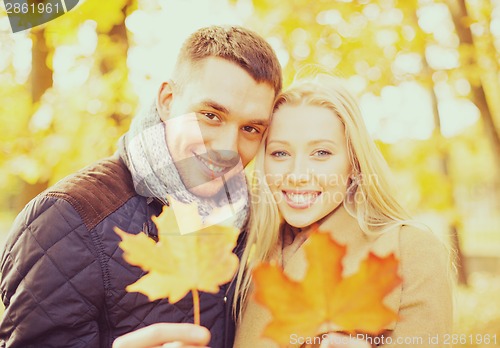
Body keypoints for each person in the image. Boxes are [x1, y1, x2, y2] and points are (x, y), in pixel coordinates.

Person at [0, 25, 282, 348]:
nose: (228, 148)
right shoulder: (66, 219)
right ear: (167, 100)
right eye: (211, 115)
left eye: (250, 128)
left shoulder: (253, 226)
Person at [232, 75, 454, 347]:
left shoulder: (411, 249)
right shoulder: (246, 257)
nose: (297, 174)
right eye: (280, 153)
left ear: (354, 162)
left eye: (321, 153)